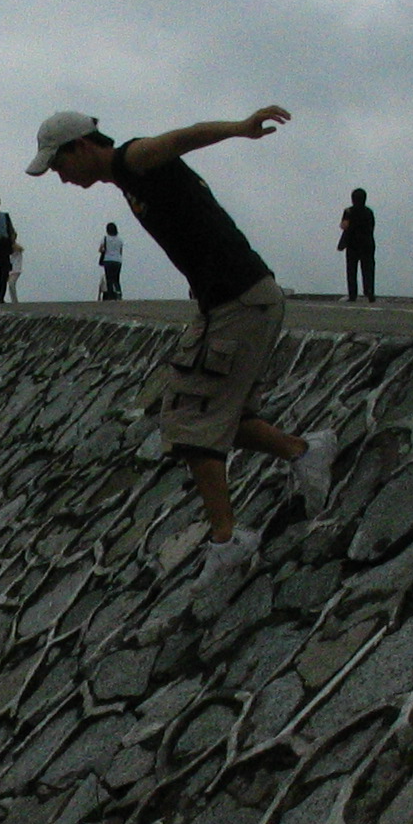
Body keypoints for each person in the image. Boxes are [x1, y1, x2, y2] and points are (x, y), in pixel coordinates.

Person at [28, 107, 336, 573]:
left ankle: (227, 541)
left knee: (192, 424)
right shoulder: (126, 179)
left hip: (243, 300)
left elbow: (184, 137)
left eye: (59, 164)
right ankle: (304, 451)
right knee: (204, 413)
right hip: (222, 305)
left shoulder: (134, 159)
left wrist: (240, 128)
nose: (61, 176)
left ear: (82, 147)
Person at [339, 187, 377, 303]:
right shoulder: (369, 212)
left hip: (353, 244)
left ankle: (352, 295)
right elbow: (372, 227)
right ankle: (369, 292)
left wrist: (342, 243)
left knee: (351, 270)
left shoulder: (348, 211)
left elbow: (344, 227)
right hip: (367, 243)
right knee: (368, 269)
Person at [98, 222, 125, 299]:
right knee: (116, 279)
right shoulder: (120, 240)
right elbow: (120, 251)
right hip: (118, 261)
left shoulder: (105, 238)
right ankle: (119, 294)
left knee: (109, 279)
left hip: (108, 260)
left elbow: (100, 249)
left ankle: (110, 296)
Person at [3, 236, 24, 303]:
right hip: (10, 270)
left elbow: (20, 249)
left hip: (16, 269)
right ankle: (14, 300)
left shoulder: (16, 247)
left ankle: (14, 301)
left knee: (11, 283)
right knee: (10, 285)